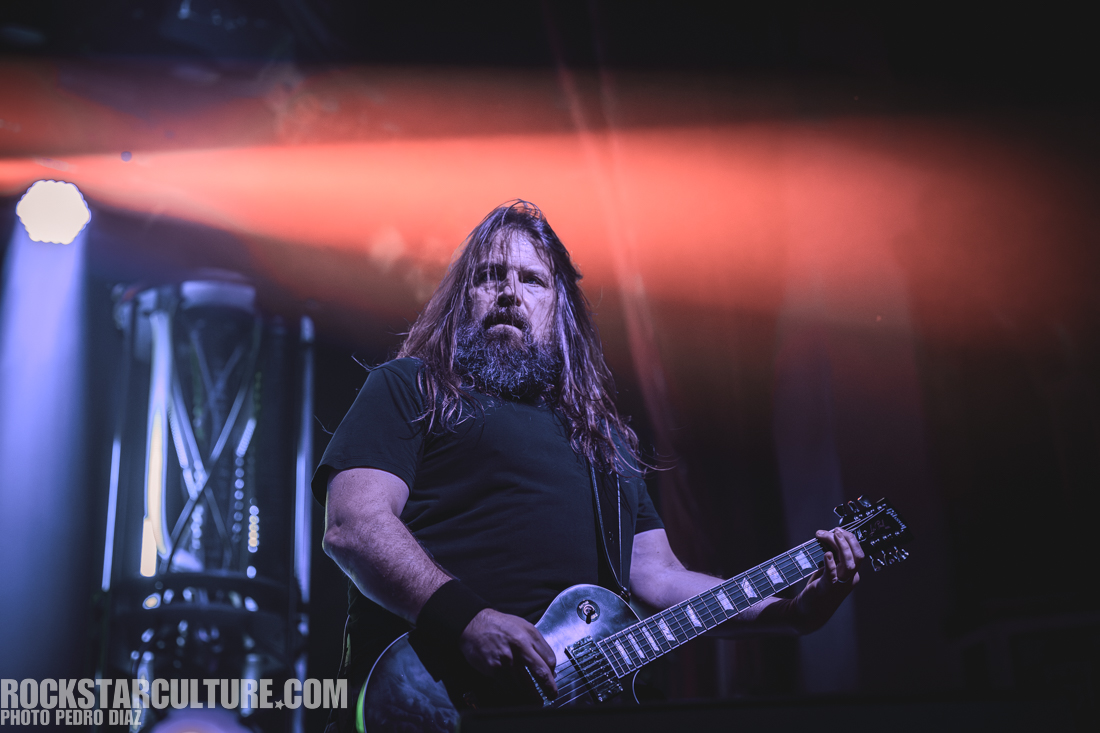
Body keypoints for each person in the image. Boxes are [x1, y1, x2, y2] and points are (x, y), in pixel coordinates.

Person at [313, 200, 863, 726]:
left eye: (533, 280)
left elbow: (659, 580)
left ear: (560, 311)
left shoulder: (604, 442)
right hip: (433, 696)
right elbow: (354, 526)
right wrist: (466, 619)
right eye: (489, 276)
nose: (509, 292)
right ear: (462, 299)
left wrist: (792, 614)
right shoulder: (411, 386)